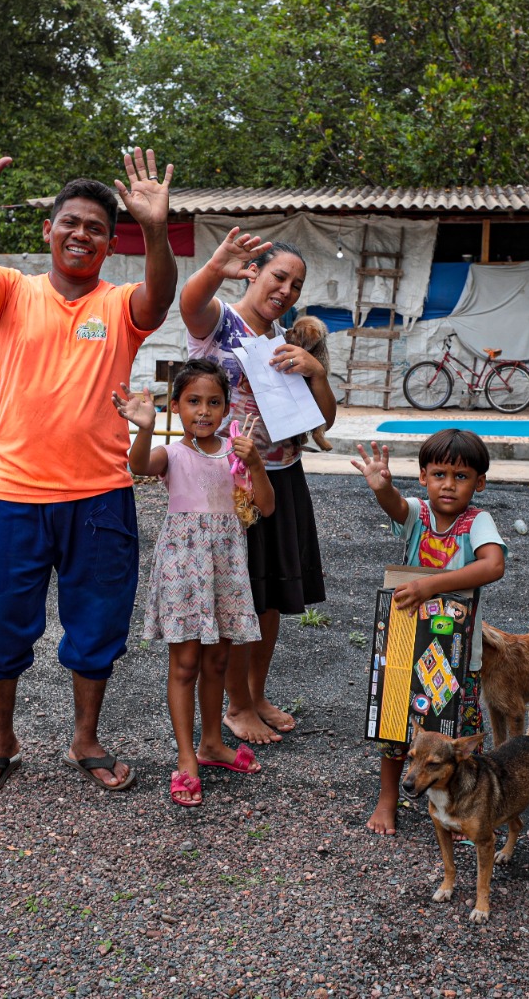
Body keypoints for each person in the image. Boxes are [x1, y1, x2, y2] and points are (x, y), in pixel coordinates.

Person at [0, 112, 176, 796]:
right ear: (49, 231)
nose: (81, 234)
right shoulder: (13, 293)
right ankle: (2, 740)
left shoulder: (121, 302)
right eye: (70, 222)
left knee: (97, 622)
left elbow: (160, 298)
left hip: (100, 495)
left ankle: (85, 739)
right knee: (0, 624)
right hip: (14, 492)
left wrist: (156, 229)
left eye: (96, 228)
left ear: (109, 242)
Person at [180, 231, 337, 745]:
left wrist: (315, 372)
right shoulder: (219, 321)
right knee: (237, 596)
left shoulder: (288, 341)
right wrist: (215, 264)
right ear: (253, 272)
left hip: (283, 476)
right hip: (230, 484)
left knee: (268, 596)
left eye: (296, 284)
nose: (287, 290)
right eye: (278, 276)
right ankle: (237, 705)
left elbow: (325, 420)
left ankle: (257, 691)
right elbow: (189, 302)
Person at [114, 361, 275, 807]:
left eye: (213, 402)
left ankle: (211, 744)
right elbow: (140, 464)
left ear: (226, 407)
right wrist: (144, 428)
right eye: (192, 401)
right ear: (178, 406)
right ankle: (186, 758)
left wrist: (257, 464)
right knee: (185, 663)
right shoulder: (173, 453)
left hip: (224, 567)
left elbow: (266, 506)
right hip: (184, 569)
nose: (203, 411)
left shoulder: (236, 452)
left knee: (219, 662)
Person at [351, 429, 507, 835]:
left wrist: (430, 584)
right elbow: (396, 507)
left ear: (480, 482)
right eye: (439, 474)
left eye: (461, 476)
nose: (449, 485)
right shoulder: (418, 514)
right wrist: (381, 487)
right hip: (405, 644)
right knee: (395, 725)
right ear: (423, 477)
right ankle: (388, 799)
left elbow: (493, 566)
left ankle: (464, 807)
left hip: (458, 651)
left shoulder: (478, 521)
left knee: (457, 732)